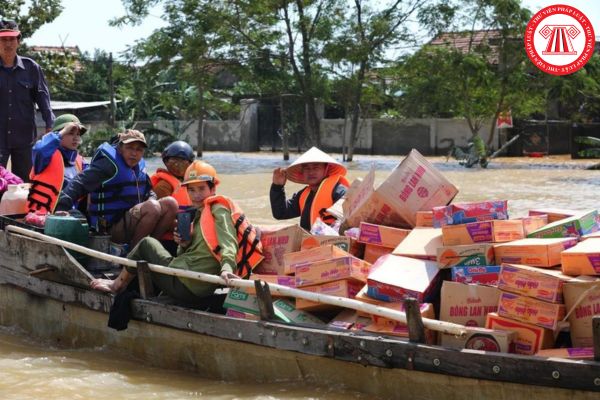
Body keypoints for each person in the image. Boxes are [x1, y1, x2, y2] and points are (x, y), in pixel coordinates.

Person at [90, 160, 263, 305]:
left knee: (146, 244)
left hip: (186, 285)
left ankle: (117, 285)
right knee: (161, 248)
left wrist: (226, 269)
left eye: (201, 189)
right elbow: (194, 254)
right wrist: (184, 245)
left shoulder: (218, 209)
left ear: (212, 190)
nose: (196, 195)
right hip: (191, 280)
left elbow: (228, 240)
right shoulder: (200, 215)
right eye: (191, 190)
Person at [55, 129, 178, 248]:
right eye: (129, 148)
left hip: (131, 222)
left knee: (171, 204)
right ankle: (133, 259)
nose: (134, 153)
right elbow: (79, 183)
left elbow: (149, 191)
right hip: (108, 228)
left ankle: (148, 247)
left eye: (139, 150)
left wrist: (151, 200)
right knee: (152, 207)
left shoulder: (139, 167)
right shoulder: (108, 165)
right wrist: (61, 206)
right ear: (120, 149)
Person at [0, 20, 54, 181]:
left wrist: (50, 126)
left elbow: (43, 99)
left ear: (19, 41)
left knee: (24, 184)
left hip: (24, 138)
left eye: (12, 39)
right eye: (3, 39)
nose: (8, 43)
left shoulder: (31, 68)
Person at [270, 146, 349, 231]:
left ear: (326, 169)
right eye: (307, 168)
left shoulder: (339, 192)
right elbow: (280, 213)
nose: (311, 172)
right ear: (302, 172)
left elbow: (349, 220)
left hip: (331, 242)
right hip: (308, 242)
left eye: (316, 167)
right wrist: (277, 187)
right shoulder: (303, 195)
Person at [27, 114, 88, 214]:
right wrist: (62, 132)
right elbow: (39, 150)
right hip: (42, 217)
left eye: (78, 134)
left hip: (69, 214)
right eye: (70, 133)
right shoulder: (46, 156)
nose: (75, 138)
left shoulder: (80, 161)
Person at [150, 140, 194, 254]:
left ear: (189, 164)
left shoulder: (193, 184)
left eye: (182, 161)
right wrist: (186, 228)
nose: (177, 165)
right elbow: (158, 217)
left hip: (186, 233)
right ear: (166, 162)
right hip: (169, 239)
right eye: (174, 160)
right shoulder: (163, 185)